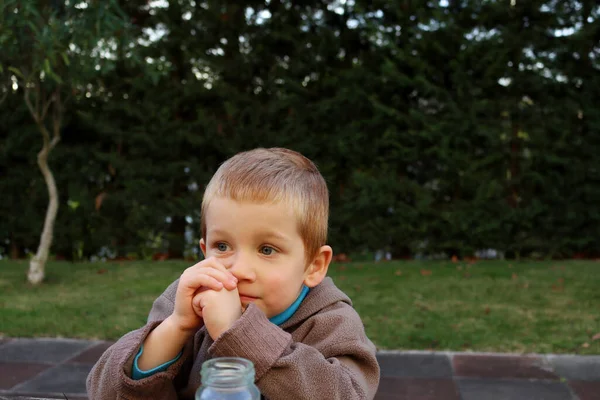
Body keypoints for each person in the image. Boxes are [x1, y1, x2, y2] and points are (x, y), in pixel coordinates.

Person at [86, 148, 380, 399]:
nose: (238, 270)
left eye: (267, 249)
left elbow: (348, 393)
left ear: (314, 265)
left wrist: (240, 332)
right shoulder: (186, 301)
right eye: (222, 246)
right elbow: (102, 392)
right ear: (204, 250)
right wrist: (176, 327)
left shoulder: (331, 323)